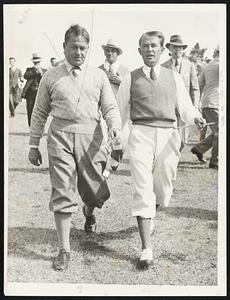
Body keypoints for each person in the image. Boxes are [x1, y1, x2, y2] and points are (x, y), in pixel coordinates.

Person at [28, 24, 122, 271]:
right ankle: (64, 249)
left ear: (88, 49)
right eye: (74, 47)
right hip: (60, 138)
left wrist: (115, 129)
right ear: (64, 47)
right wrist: (33, 144)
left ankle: (89, 213)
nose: (78, 52)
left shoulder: (99, 76)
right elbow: (39, 112)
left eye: (83, 48)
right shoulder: (51, 75)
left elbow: (110, 108)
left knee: (92, 191)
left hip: (92, 139)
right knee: (62, 191)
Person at [116, 31, 206, 270]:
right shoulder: (130, 78)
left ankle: (150, 212)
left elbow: (186, 107)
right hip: (140, 134)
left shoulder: (174, 77)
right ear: (139, 50)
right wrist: (116, 137)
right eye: (145, 46)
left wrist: (196, 117)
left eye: (154, 46)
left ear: (162, 49)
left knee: (163, 187)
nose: (150, 50)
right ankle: (146, 247)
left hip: (168, 135)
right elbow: (120, 112)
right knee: (142, 187)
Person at [162, 35, 200, 148]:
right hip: (169, 108)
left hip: (185, 107)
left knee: (183, 138)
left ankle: (176, 155)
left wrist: (195, 107)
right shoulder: (163, 66)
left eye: (180, 47)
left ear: (183, 49)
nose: (177, 50)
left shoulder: (189, 65)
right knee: (171, 136)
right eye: (174, 47)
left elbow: (195, 89)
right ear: (169, 49)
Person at [99, 39, 130, 171]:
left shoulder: (125, 71)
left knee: (120, 137)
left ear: (118, 53)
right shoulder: (99, 70)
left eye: (113, 50)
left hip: (120, 108)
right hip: (102, 108)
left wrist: (121, 82)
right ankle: (102, 160)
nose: (110, 53)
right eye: (107, 50)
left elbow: (132, 90)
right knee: (103, 135)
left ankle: (116, 157)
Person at [191, 46, 220, 169]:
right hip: (215, 104)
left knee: (218, 132)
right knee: (221, 133)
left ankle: (199, 148)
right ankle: (215, 162)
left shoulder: (207, 67)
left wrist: (198, 104)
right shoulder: (220, 65)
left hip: (208, 104)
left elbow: (199, 85)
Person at [21, 53, 47, 126]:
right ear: (33, 62)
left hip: (41, 94)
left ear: (40, 62)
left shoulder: (44, 70)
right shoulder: (29, 69)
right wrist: (34, 71)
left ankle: (39, 127)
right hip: (30, 94)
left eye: (38, 62)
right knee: (30, 111)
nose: (36, 64)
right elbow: (26, 76)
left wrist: (41, 73)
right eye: (35, 62)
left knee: (40, 112)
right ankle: (31, 127)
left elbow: (46, 80)